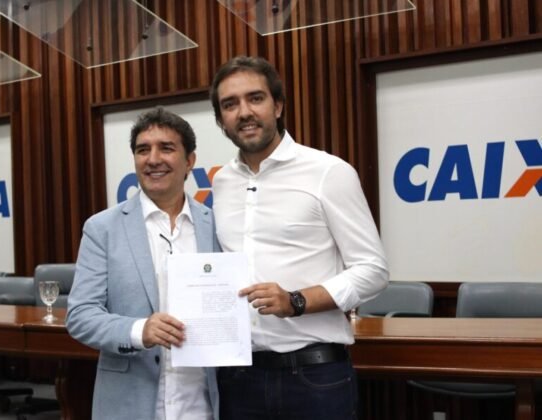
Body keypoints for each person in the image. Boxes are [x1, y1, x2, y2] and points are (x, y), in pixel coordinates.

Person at [209, 56, 389, 420]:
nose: (244, 112)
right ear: (220, 120)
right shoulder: (221, 182)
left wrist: (296, 301)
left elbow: (373, 271)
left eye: (255, 98)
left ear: (277, 106)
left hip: (315, 378)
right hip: (238, 378)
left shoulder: (328, 172)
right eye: (230, 104)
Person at [66, 107, 220, 420]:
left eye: (166, 148)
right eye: (142, 150)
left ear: (190, 160)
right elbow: (81, 316)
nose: (153, 159)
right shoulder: (102, 228)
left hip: (202, 405)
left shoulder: (217, 226)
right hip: (129, 405)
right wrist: (139, 330)